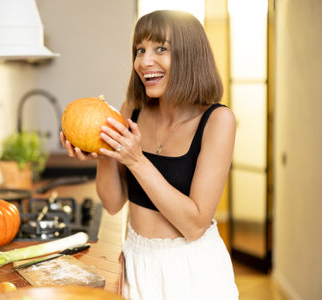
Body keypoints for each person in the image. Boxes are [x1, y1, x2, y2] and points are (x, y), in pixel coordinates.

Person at [60, 10, 238, 300]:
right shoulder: (131, 110)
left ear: (190, 55)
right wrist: (104, 151)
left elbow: (194, 225)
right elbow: (113, 203)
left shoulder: (218, 120)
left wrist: (135, 160)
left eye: (161, 49)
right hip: (137, 260)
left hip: (193, 269)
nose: (144, 61)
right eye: (139, 50)